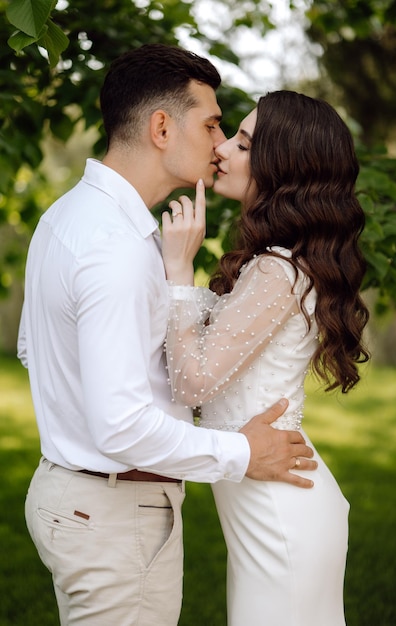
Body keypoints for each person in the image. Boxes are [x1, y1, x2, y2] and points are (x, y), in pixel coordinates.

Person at [17, 46, 317, 626]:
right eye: (210, 123)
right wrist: (243, 452)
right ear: (161, 127)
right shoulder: (116, 251)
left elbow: (35, 350)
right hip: (111, 512)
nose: (219, 141)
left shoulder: (66, 218)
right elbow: (122, 425)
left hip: (85, 499)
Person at [162, 90, 370, 625]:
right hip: (272, 504)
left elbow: (193, 383)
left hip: (280, 515)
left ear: (283, 165)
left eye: (244, 143)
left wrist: (179, 273)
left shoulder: (278, 269)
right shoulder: (281, 263)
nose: (222, 150)